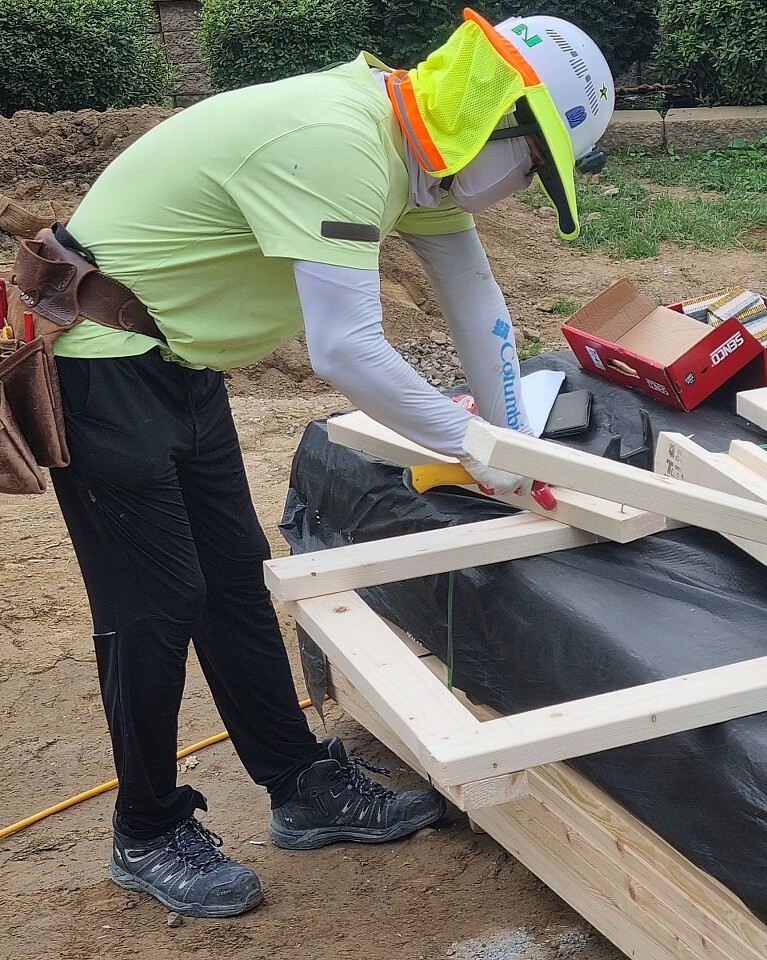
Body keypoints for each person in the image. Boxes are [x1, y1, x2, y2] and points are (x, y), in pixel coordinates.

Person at [38, 8, 614, 918]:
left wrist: (512, 445)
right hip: (99, 360)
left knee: (234, 578)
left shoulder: (417, 157)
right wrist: (474, 446)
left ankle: (298, 783)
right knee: (156, 602)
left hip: (181, 363)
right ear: (498, 123)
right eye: (534, 167)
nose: (522, 189)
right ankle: (145, 829)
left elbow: (476, 300)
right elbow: (344, 350)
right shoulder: (343, 142)